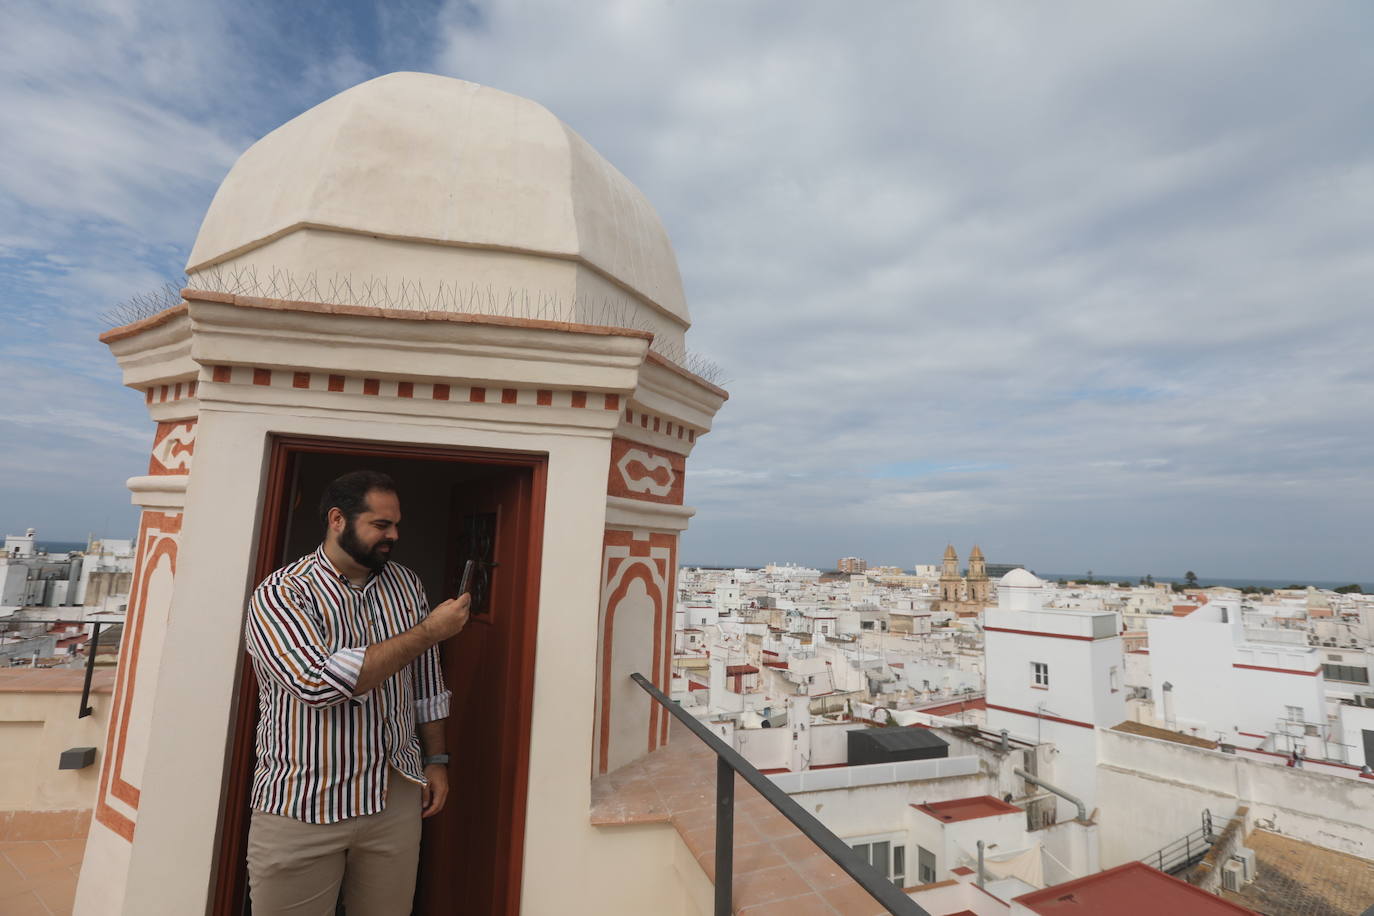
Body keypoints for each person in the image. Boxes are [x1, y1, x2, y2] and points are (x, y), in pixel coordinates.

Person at [244, 470, 471, 915]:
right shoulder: (282, 594)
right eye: (381, 525)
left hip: (395, 796)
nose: (394, 535)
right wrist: (428, 632)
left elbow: (425, 681)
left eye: (396, 524)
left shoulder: (406, 585)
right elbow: (318, 684)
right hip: (302, 803)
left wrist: (437, 761)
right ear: (337, 520)